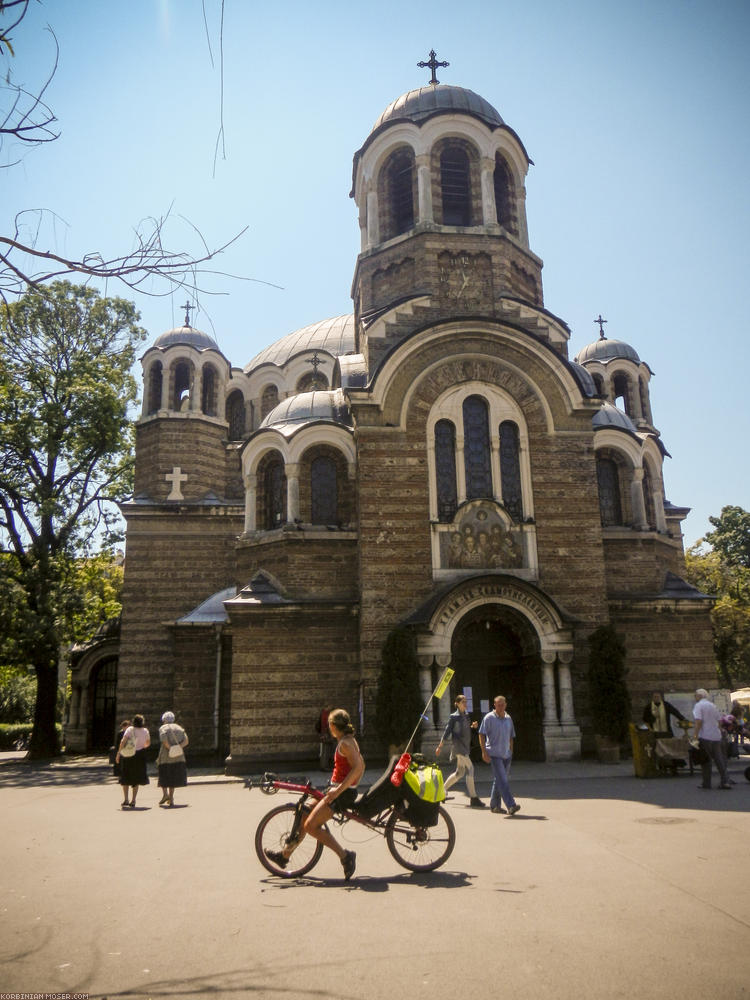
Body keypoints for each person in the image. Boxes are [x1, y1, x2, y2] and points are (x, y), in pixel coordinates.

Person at [265, 708, 364, 880]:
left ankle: (346, 857)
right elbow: (359, 768)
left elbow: (358, 768)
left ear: (333, 726)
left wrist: (340, 790)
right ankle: (284, 856)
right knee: (304, 811)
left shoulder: (346, 744)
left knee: (310, 826)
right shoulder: (347, 740)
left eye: (329, 725)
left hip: (342, 794)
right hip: (337, 789)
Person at [436, 694, 485, 808]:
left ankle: (442, 791)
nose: (465, 703)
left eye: (465, 701)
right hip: (459, 747)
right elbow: (447, 731)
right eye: (463, 701)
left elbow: (466, 728)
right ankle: (473, 798)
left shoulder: (466, 715)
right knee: (471, 769)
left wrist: (473, 726)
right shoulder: (454, 717)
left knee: (460, 773)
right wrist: (440, 746)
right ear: (457, 704)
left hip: (465, 746)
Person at [478, 695, 520, 815]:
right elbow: (481, 734)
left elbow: (511, 736)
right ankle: (511, 805)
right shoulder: (489, 718)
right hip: (494, 754)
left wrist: (511, 751)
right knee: (503, 780)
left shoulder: (508, 718)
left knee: (499, 780)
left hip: (506, 754)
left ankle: (495, 805)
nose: (501, 706)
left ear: (506, 705)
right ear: (494, 705)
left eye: (502, 704)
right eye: (498, 704)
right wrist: (484, 752)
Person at [692, 688, 731, 790]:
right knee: (719, 760)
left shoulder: (698, 706)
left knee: (705, 761)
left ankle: (706, 783)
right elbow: (720, 721)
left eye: (695, 695)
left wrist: (695, 735)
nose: (695, 697)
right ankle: (725, 781)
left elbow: (698, 721)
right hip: (716, 736)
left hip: (705, 736)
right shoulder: (713, 705)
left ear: (699, 696)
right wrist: (717, 731)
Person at [115, 714, 150, 808]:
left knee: (125, 776)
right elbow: (147, 743)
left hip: (128, 754)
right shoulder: (145, 731)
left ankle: (126, 799)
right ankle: (133, 800)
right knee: (136, 777)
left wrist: (118, 753)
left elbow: (123, 741)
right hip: (140, 756)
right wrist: (141, 746)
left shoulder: (130, 729)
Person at [156, 711, 189, 807]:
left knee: (164, 775)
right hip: (178, 757)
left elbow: (164, 741)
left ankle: (165, 794)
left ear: (164, 720)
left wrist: (171, 749)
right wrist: (178, 748)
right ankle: (171, 798)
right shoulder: (179, 728)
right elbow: (186, 741)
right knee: (173, 778)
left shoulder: (163, 728)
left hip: (166, 757)